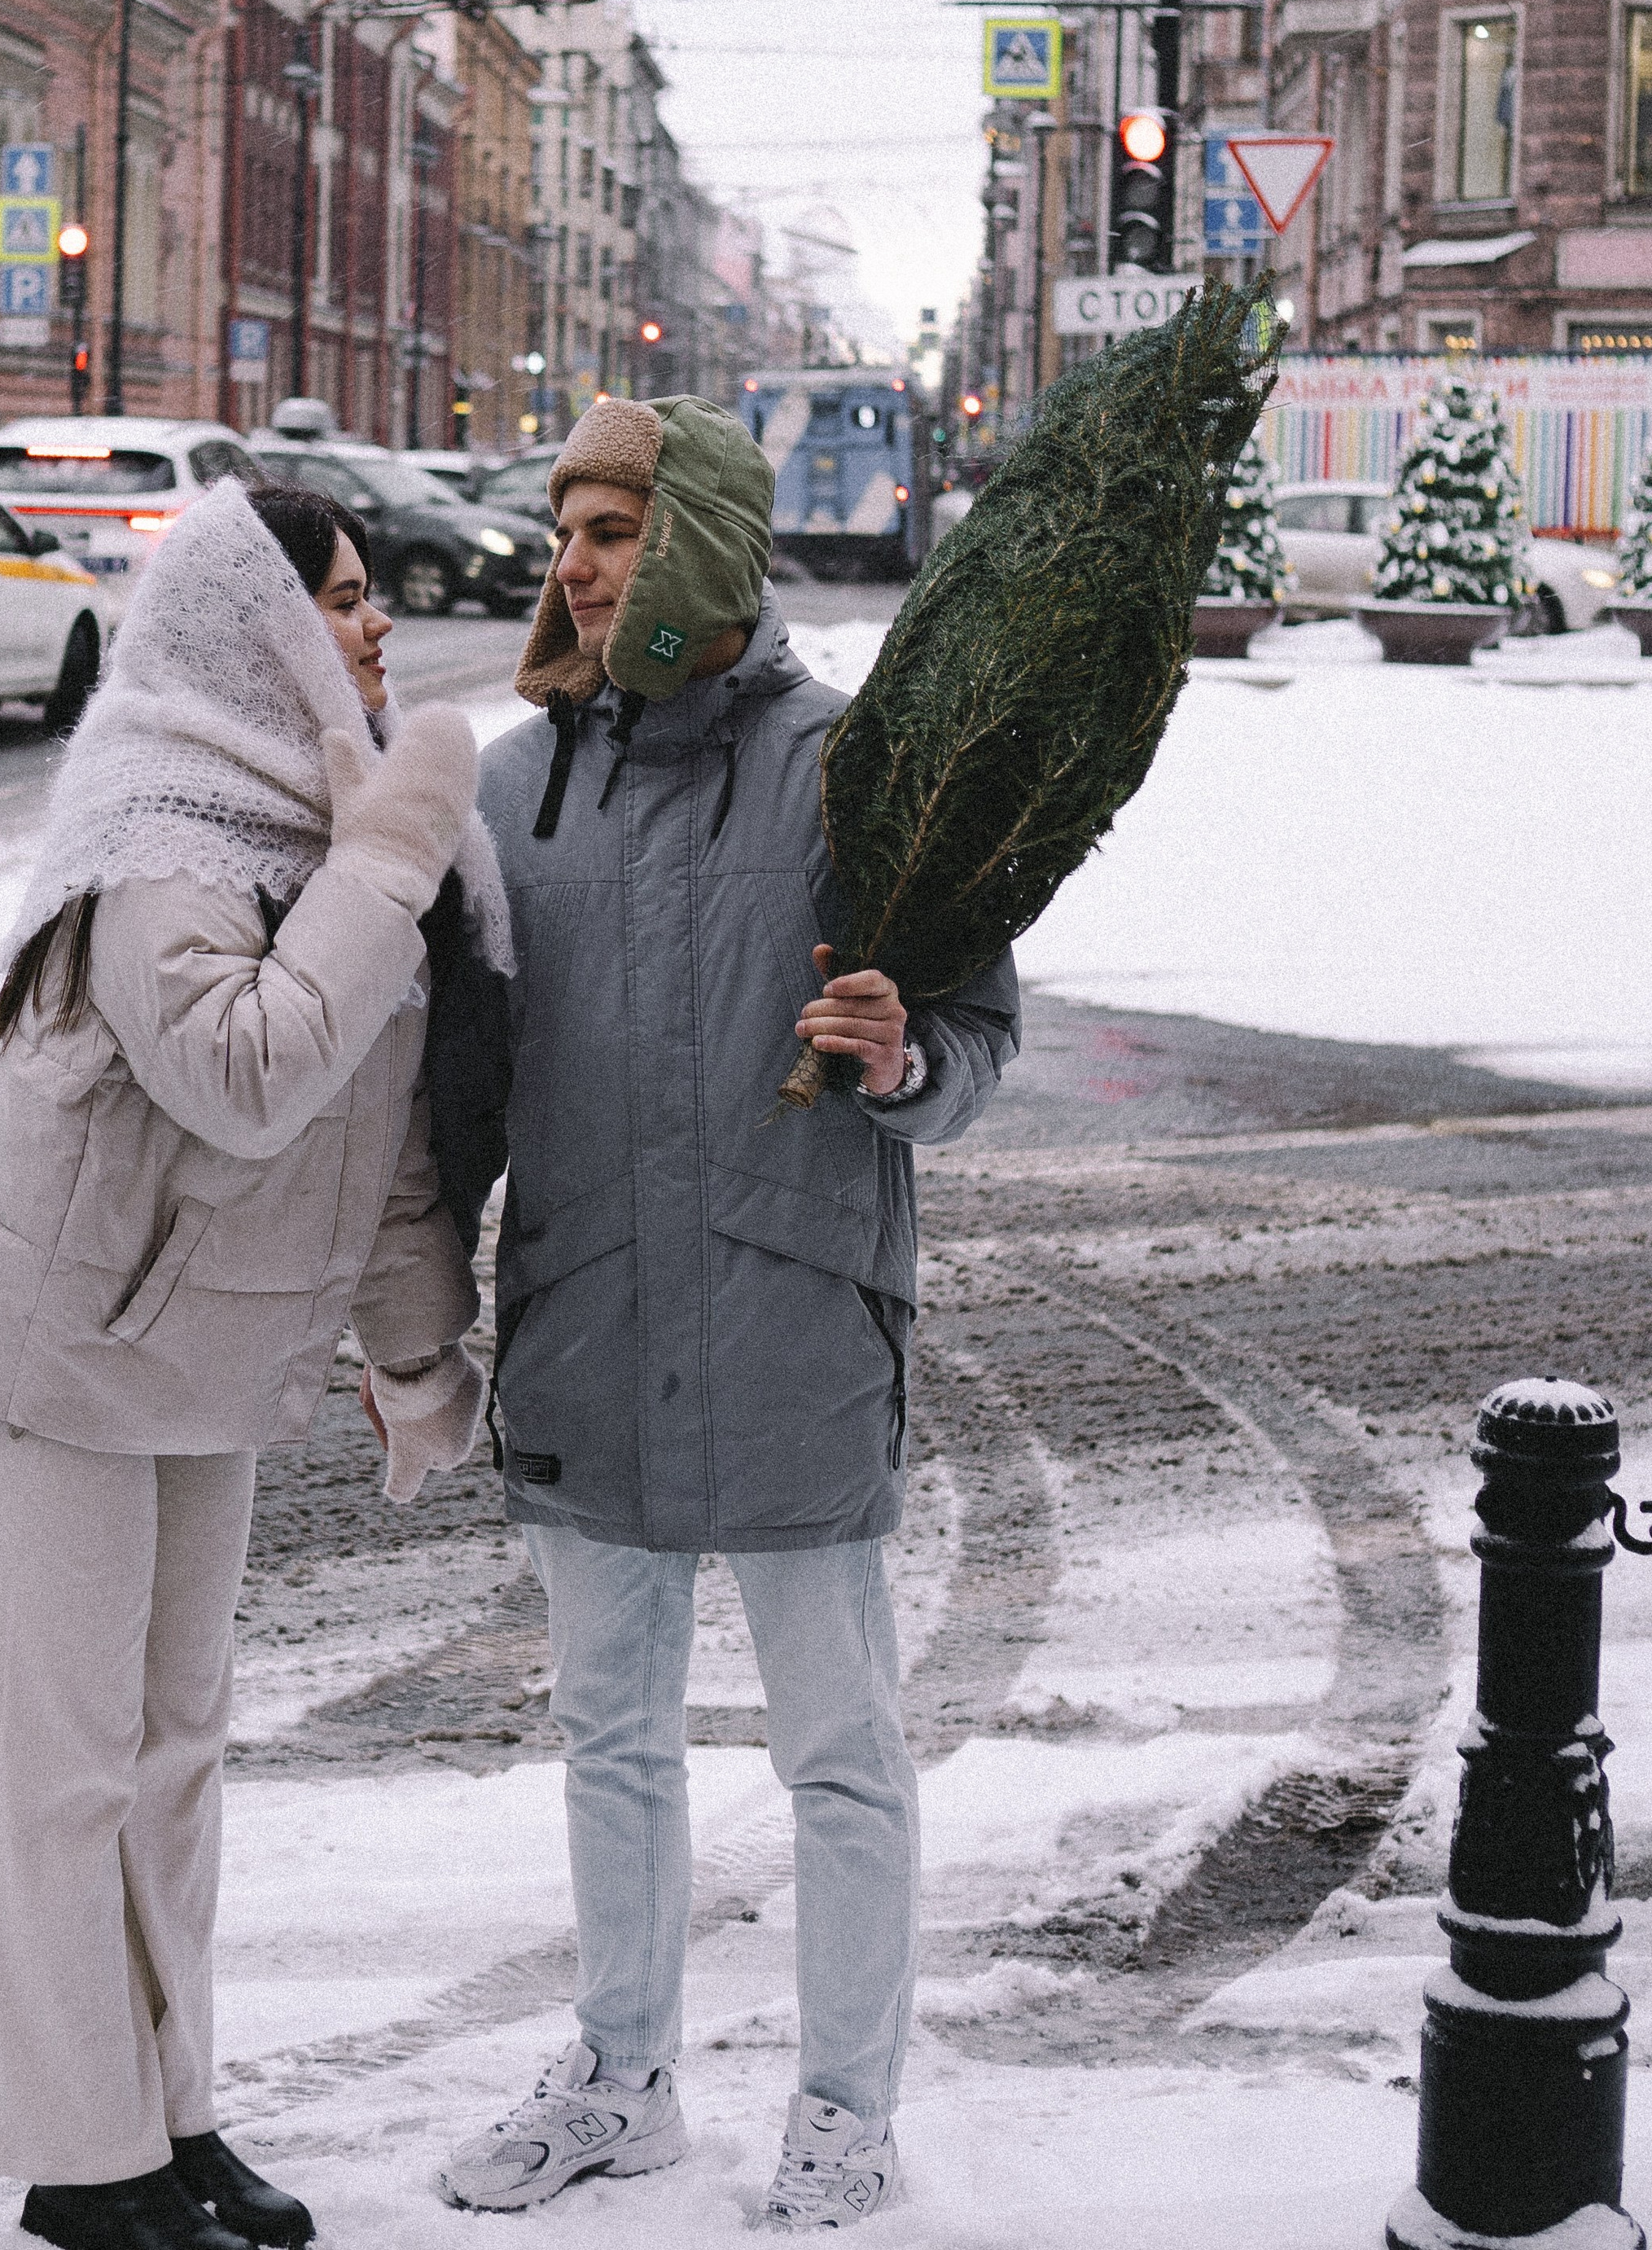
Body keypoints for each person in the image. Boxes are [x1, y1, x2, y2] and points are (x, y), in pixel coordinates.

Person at [0, 476, 507, 2250]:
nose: (374, 623)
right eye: (338, 596)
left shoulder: (339, 822)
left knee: (173, 1753)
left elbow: (384, 1142)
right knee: (58, 1764)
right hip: (52, 1353)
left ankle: (165, 2122)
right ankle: (73, 2160)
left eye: (373, 595)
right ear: (247, 624)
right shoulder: (159, 826)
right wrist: (389, 866)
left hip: (197, 1361)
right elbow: (245, 1067)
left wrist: (420, 1361)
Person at [437, 397, 1019, 2231]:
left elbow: (979, 1028)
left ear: (691, 539)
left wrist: (901, 1052)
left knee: (834, 1746)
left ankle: (845, 2108)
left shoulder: (854, 769)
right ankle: (620, 2078)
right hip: (584, 1319)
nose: (573, 569)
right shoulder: (513, 786)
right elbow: (455, 1083)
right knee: (606, 1733)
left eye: (608, 531)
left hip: (791, 1316)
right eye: (562, 533)